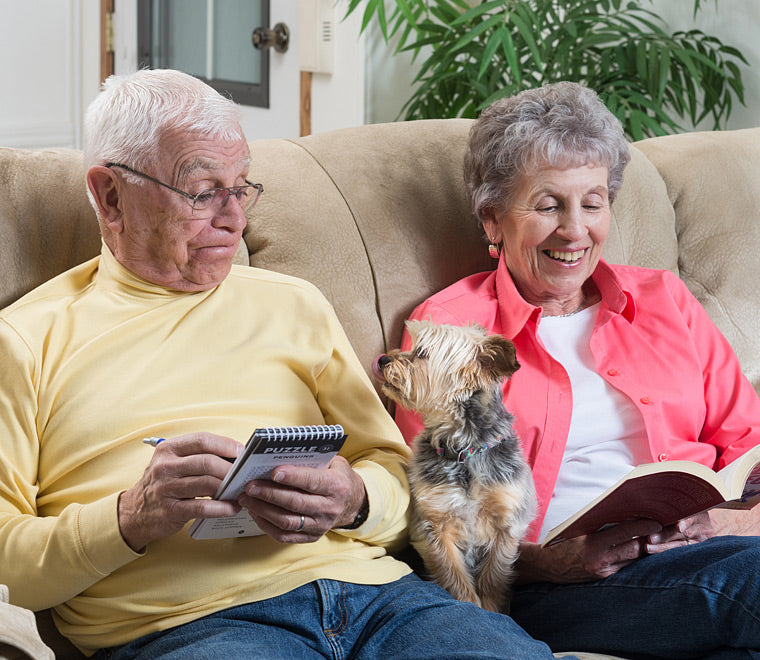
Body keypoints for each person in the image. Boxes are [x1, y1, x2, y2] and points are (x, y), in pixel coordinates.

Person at [0, 69, 572, 660]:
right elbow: (5, 564)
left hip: (380, 601)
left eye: (241, 188)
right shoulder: (25, 340)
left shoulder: (293, 302)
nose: (234, 219)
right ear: (111, 195)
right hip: (194, 627)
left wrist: (355, 499)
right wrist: (130, 518)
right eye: (202, 192)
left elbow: (395, 472)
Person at [395, 81, 760, 659]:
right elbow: (445, 524)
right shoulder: (452, 330)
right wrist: (555, 563)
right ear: (492, 219)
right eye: (548, 205)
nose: (574, 230)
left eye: (593, 203)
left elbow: (750, 446)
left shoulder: (664, 299)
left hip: (707, 551)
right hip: (566, 588)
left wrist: (730, 521)